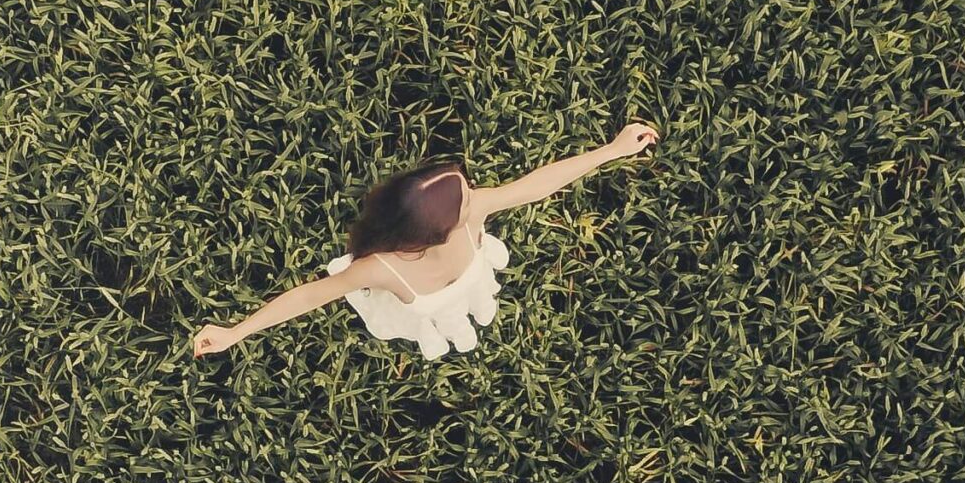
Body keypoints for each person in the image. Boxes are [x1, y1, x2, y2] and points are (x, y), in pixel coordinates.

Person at [191, 121, 659, 358]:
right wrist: (237, 332)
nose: (473, 196)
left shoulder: (471, 208)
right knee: (442, 323)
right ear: (434, 233)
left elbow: (537, 184)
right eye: (464, 199)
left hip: (464, 287)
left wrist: (613, 150)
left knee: (472, 307)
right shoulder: (381, 268)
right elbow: (311, 295)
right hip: (424, 306)